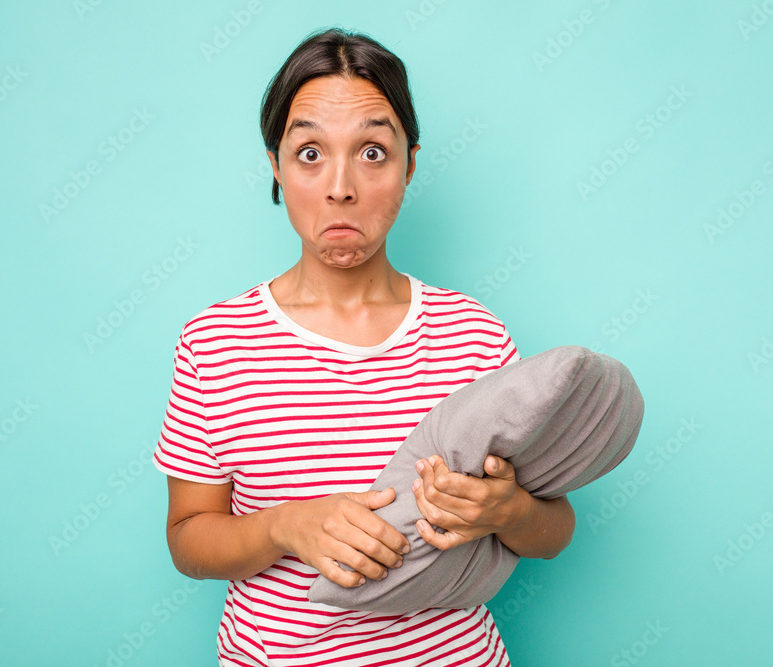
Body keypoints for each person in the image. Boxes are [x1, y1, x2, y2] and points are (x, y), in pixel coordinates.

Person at [153, 27, 576, 666]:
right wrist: (281, 525)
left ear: (410, 163)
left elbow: (554, 531)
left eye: (373, 152)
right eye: (310, 153)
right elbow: (188, 540)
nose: (341, 187)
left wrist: (507, 510)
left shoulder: (475, 334)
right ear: (275, 164)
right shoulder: (214, 343)